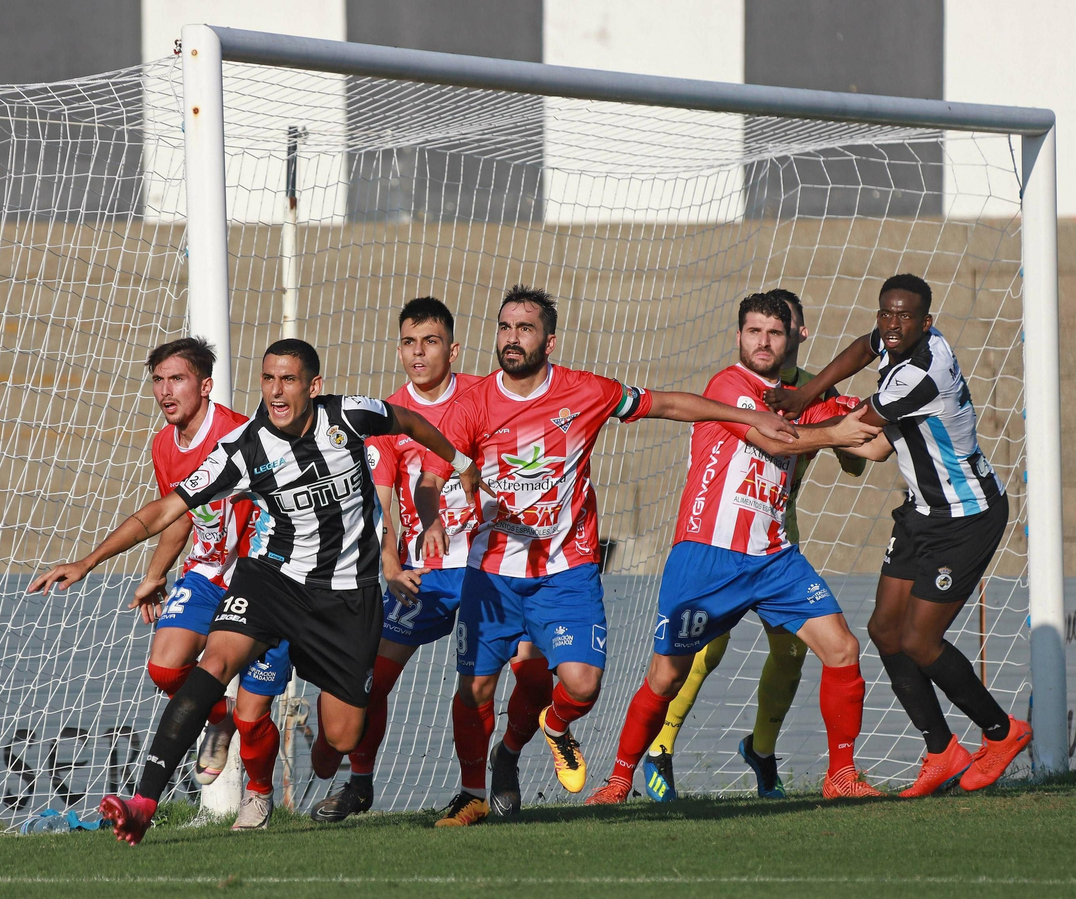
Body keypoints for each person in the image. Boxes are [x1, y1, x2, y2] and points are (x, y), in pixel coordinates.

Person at [28, 338, 481, 846]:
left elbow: (410, 422)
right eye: (267, 379)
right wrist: (88, 560)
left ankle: (336, 759)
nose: (276, 391)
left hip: (348, 596)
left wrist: (460, 460)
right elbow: (165, 510)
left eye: (288, 380)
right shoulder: (244, 449)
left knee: (341, 736)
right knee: (214, 663)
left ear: (314, 386)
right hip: (273, 579)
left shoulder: (351, 415)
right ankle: (143, 803)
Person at [420, 285, 800, 821]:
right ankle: (475, 791)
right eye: (505, 327)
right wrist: (433, 518)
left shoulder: (586, 391)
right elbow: (432, 477)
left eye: (524, 328)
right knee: (475, 688)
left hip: (567, 570)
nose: (511, 338)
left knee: (582, 684)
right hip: (493, 571)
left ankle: (549, 731)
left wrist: (749, 419)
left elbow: (666, 404)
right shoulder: (473, 403)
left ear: (548, 341)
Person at [587, 291, 886, 805]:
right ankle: (617, 782)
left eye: (773, 332)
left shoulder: (811, 398)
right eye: (754, 331)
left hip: (773, 556)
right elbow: (775, 441)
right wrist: (837, 430)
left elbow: (876, 447)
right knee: (668, 674)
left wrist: (898, 403)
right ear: (739, 336)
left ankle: (840, 775)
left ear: (792, 335)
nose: (763, 341)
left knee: (842, 649)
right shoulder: (730, 386)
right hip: (707, 555)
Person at [765, 273, 1030, 797]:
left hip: (965, 517)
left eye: (903, 317)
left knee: (918, 639)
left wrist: (789, 433)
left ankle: (1001, 733)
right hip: (920, 512)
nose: (890, 324)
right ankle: (941, 752)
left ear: (925, 323)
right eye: (886, 313)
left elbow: (858, 433)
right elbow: (864, 348)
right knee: (886, 631)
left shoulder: (922, 376)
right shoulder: (895, 339)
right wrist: (806, 394)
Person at [307, 298, 552, 828]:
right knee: (372, 677)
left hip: (498, 567)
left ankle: (501, 763)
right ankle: (361, 782)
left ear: (453, 348)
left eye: (431, 341)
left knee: (531, 679)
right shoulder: (386, 414)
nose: (418, 353)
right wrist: (390, 564)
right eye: (409, 343)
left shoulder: (484, 398)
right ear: (399, 349)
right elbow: (382, 501)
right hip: (430, 573)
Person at [134, 337, 292, 819]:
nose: (165, 390)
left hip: (261, 581)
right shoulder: (164, 444)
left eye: (176, 379)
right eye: (158, 380)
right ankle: (214, 715)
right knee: (164, 667)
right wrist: (155, 573)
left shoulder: (242, 436)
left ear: (204, 386)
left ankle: (259, 793)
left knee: (255, 715)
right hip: (205, 574)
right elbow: (178, 515)